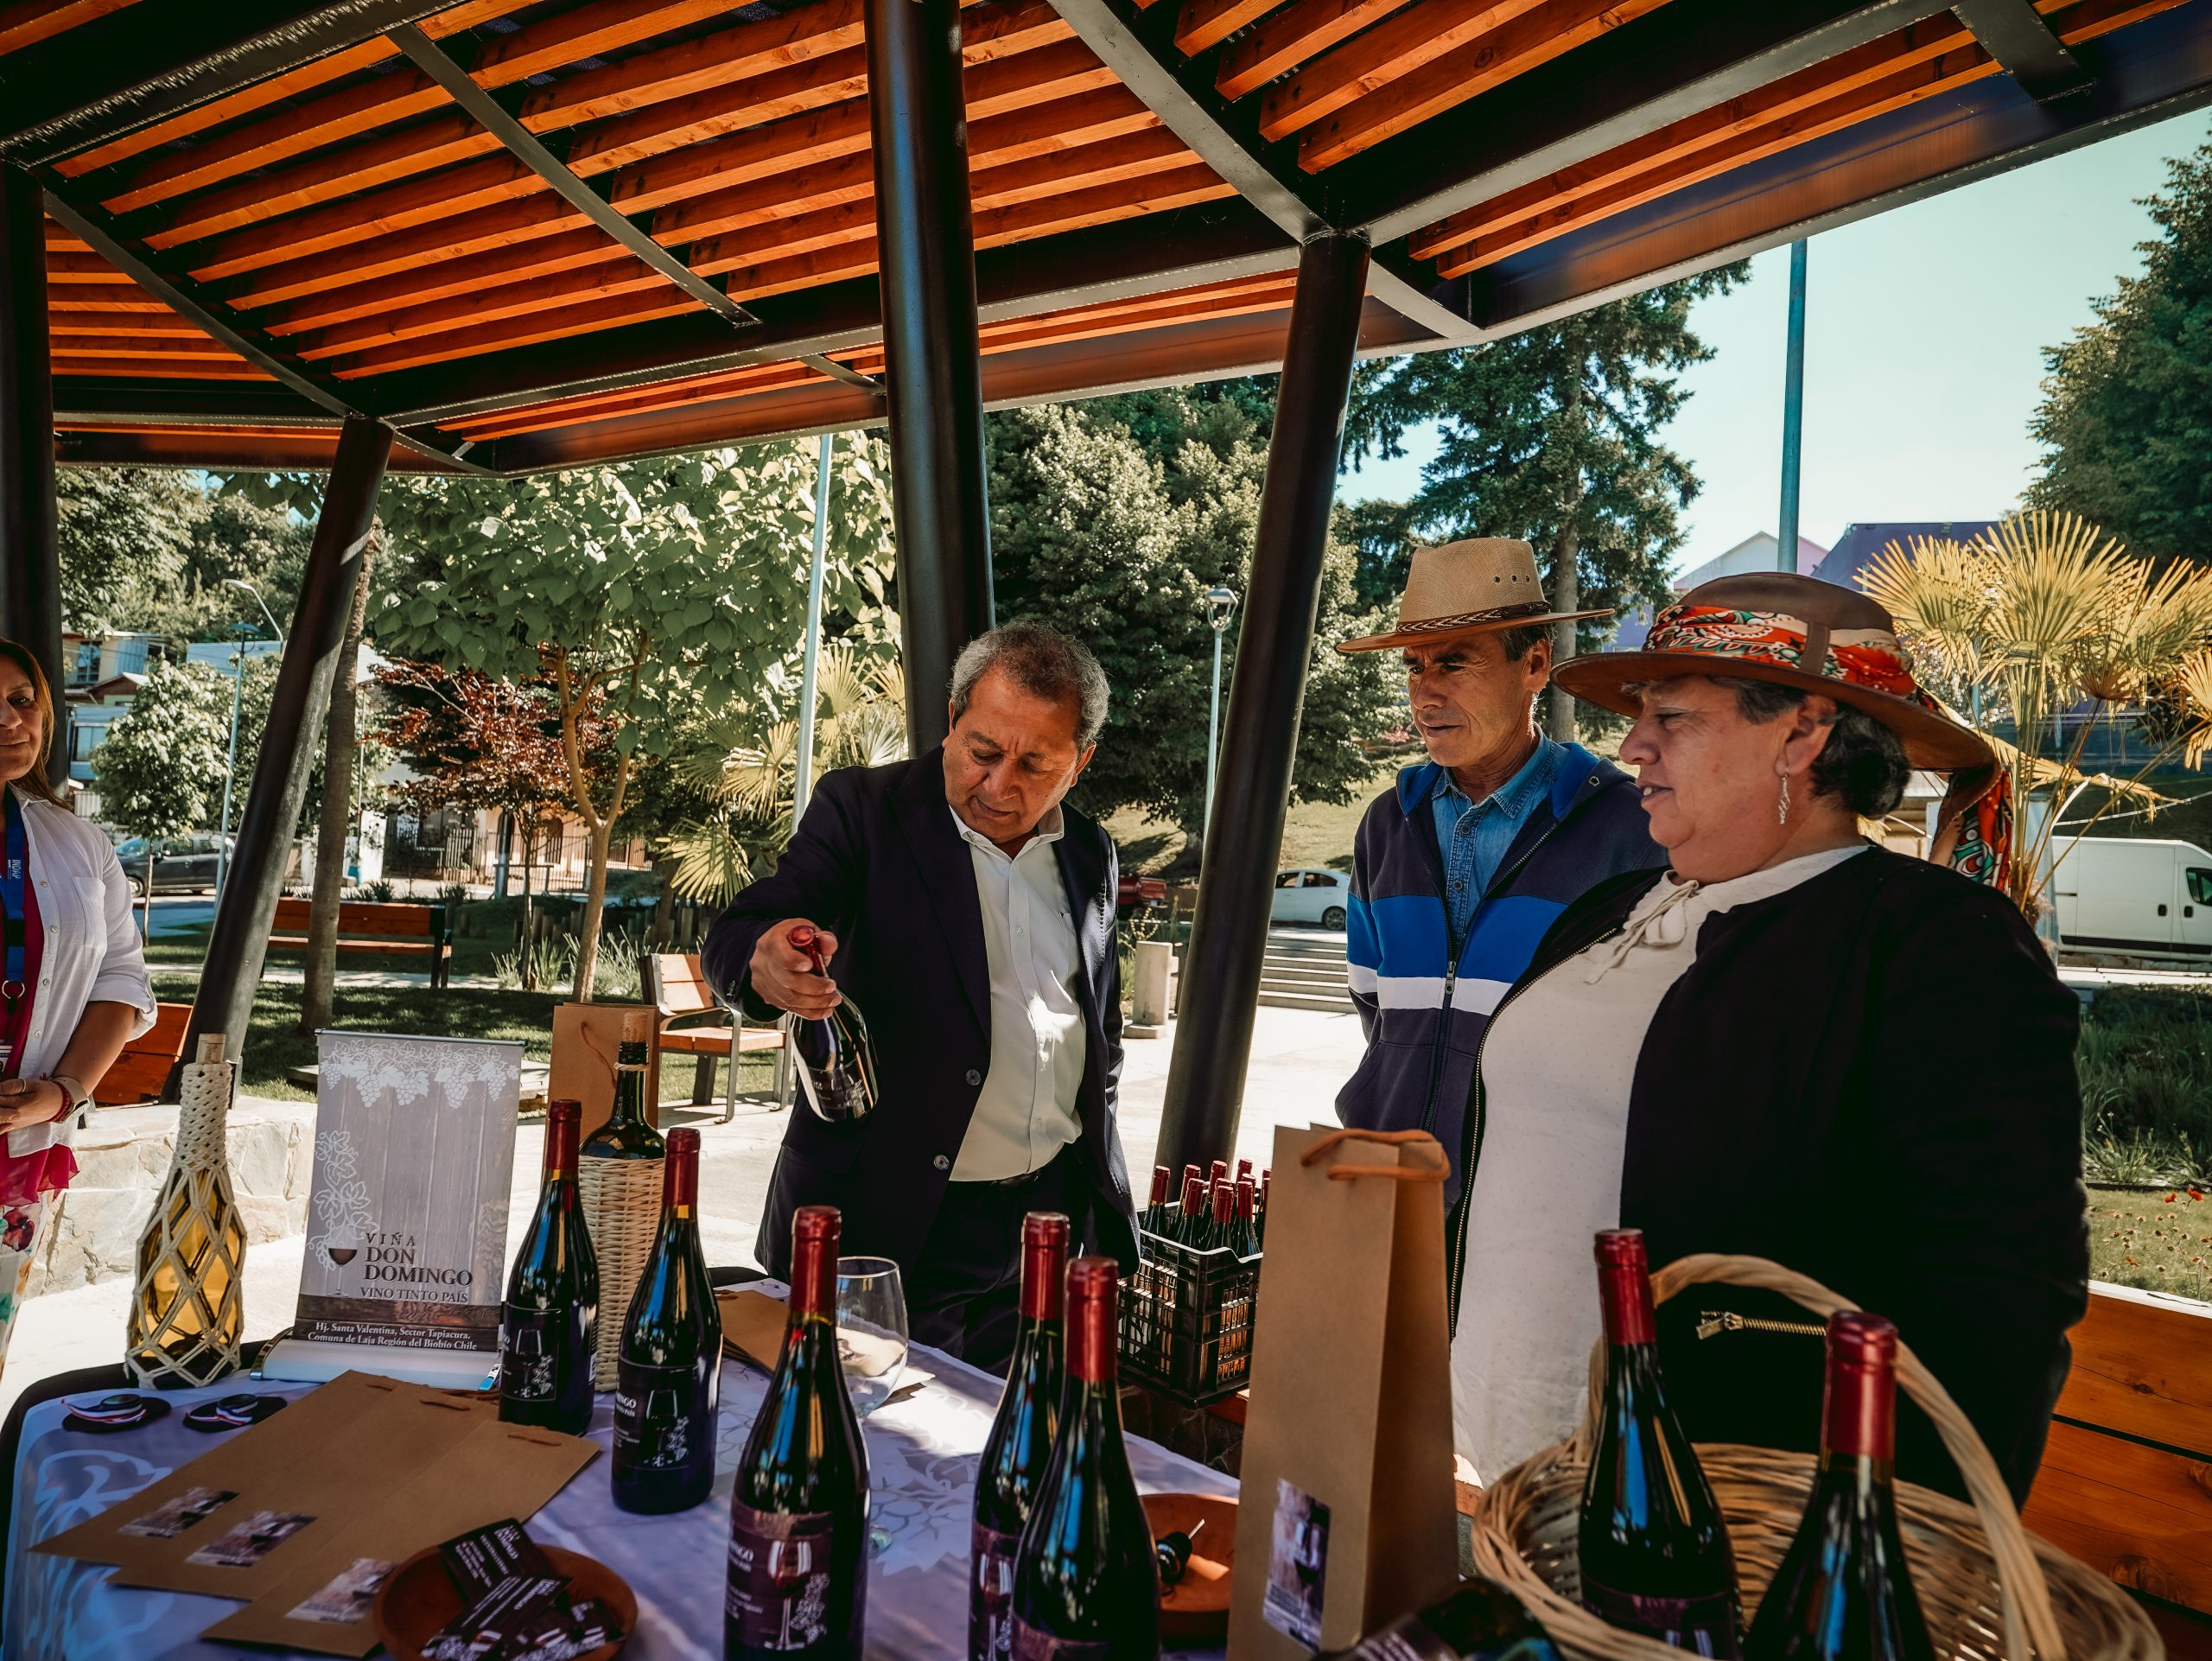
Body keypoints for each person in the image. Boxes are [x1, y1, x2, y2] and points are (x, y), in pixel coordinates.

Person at [1448, 574, 2085, 1506]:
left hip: (1713, 1522)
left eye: (1673, 716)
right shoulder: (1606, 909)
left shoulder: (1931, 942)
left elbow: (1996, 1300)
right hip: (1491, 1470)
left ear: (1802, 734)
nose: (1632, 745)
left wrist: (1873, 1553)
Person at [702, 623, 1137, 1369]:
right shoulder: (865, 811)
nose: (1001, 785)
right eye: (983, 752)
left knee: (1017, 1448)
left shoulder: (1091, 852)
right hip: (893, 1225)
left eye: (1036, 763)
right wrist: (764, 961)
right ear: (952, 723)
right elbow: (745, 928)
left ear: (1080, 762)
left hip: (1049, 1224)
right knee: (863, 1448)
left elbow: (1098, 1023)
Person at [1332, 538, 1664, 1209]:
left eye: (1454, 663)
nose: (1426, 692)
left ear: (1536, 663)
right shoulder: (1385, 825)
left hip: (1547, 1206)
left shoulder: (1632, 831)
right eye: (1414, 667)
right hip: (1387, 1190)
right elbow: (1375, 1006)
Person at [0, 639, 156, 1376]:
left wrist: (63, 1094)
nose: (10, 721)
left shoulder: (76, 841)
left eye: (21, 700)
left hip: (17, 1159)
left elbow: (122, 979)